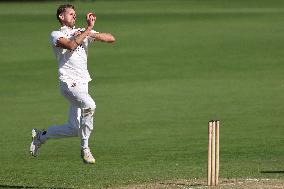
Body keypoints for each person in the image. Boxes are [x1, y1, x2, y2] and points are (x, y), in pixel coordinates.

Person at [29, 4, 115, 164]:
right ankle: (85, 149)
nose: (74, 16)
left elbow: (111, 38)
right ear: (61, 17)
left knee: (75, 128)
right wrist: (87, 31)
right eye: (70, 14)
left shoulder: (82, 31)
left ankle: (41, 136)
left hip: (83, 84)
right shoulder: (56, 34)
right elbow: (70, 45)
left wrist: (88, 32)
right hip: (69, 84)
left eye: (75, 14)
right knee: (90, 105)